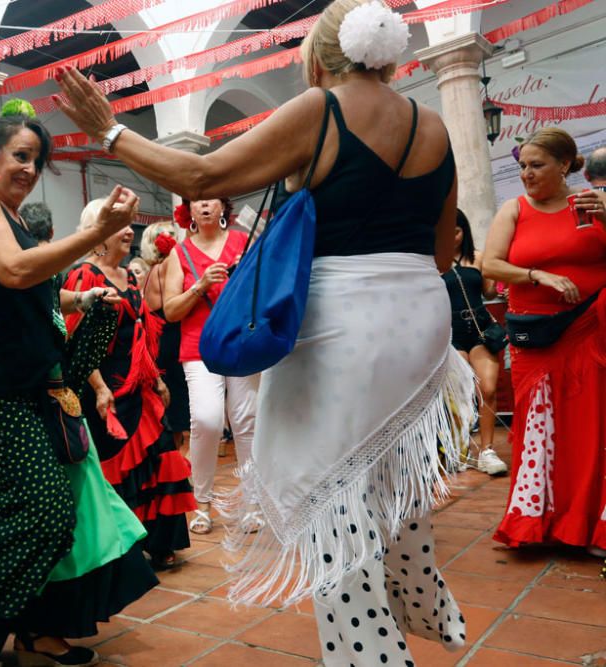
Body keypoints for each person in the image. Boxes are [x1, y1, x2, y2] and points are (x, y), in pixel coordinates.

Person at [54, 0, 477, 664]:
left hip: (344, 324)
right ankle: (419, 601)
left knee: (331, 497)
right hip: (421, 318)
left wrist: (110, 131)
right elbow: (445, 252)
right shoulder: (432, 124)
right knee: (390, 481)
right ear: (391, 56)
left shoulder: (323, 109)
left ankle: (372, 656)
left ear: (317, 59)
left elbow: (201, 176)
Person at [0, 104, 157, 667]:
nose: (29, 168)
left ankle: (34, 628)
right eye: (19, 156)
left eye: (37, 160)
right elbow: (16, 272)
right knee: (45, 506)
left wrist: (82, 297)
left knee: (30, 505)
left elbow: (37, 291)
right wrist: (96, 232)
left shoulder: (16, 218)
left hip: (34, 385)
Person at [482, 127, 606, 556]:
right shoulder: (514, 209)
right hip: (534, 337)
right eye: (522, 166)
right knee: (538, 427)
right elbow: (491, 264)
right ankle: (536, 523)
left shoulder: (592, 204)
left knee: (588, 429)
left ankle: (588, 526)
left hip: (588, 328)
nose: (526, 174)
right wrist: (538, 275)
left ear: (566, 165)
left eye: (537, 165)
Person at [64, 199, 196, 570]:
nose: (129, 231)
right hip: (103, 390)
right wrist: (100, 388)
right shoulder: (83, 277)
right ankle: (121, 550)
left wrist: (155, 378)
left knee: (160, 458)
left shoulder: (132, 277)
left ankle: (161, 543)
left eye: (130, 225)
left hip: (139, 387)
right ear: (99, 232)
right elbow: (75, 341)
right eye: (121, 225)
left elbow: (142, 335)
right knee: (116, 467)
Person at [160, 196, 259, 536]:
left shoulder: (243, 243)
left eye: (210, 200)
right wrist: (201, 285)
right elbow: (171, 311)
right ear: (188, 211)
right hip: (198, 346)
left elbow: (263, 289)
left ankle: (252, 505)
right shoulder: (180, 252)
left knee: (247, 420)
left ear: (222, 208)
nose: (203, 206)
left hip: (242, 342)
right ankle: (201, 503)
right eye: (197, 202)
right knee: (206, 418)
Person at [441, 209, 508, 476]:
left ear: (464, 231)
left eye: (456, 231)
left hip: (480, 328)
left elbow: (490, 291)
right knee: (460, 390)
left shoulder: (477, 258)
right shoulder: (433, 262)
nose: (451, 237)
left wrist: (502, 273)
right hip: (450, 332)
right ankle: (459, 446)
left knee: (488, 388)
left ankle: (488, 450)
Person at [140, 222, 191, 451]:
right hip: (173, 341)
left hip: (159, 345)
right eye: (170, 235)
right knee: (179, 407)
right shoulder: (169, 265)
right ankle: (182, 464)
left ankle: (177, 461)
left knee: (171, 408)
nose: (174, 239)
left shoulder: (150, 273)